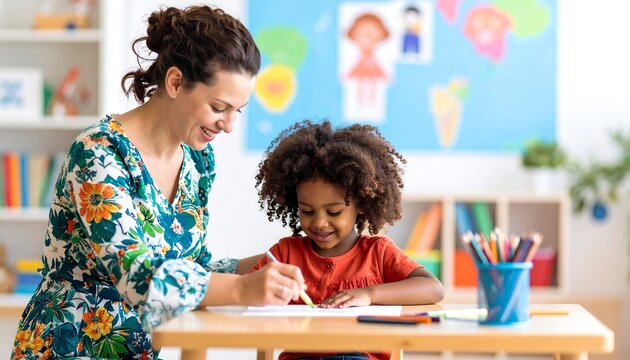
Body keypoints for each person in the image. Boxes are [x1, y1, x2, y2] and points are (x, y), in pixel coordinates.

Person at [11, 5, 307, 359]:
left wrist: (268, 263)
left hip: (143, 349)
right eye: (218, 107)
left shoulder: (198, 160)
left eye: (237, 111)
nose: (228, 125)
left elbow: (189, 268)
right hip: (69, 346)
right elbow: (136, 273)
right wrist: (244, 290)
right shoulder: (99, 153)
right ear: (176, 82)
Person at [251, 120, 445, 360]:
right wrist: (264, 288)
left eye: (333, 212)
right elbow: (247, 293)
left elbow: (433, 289)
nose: (319, 223)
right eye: (307, 211)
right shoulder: (286, 253)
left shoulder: (378, 252)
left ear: (361, 204)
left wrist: (370, 294)